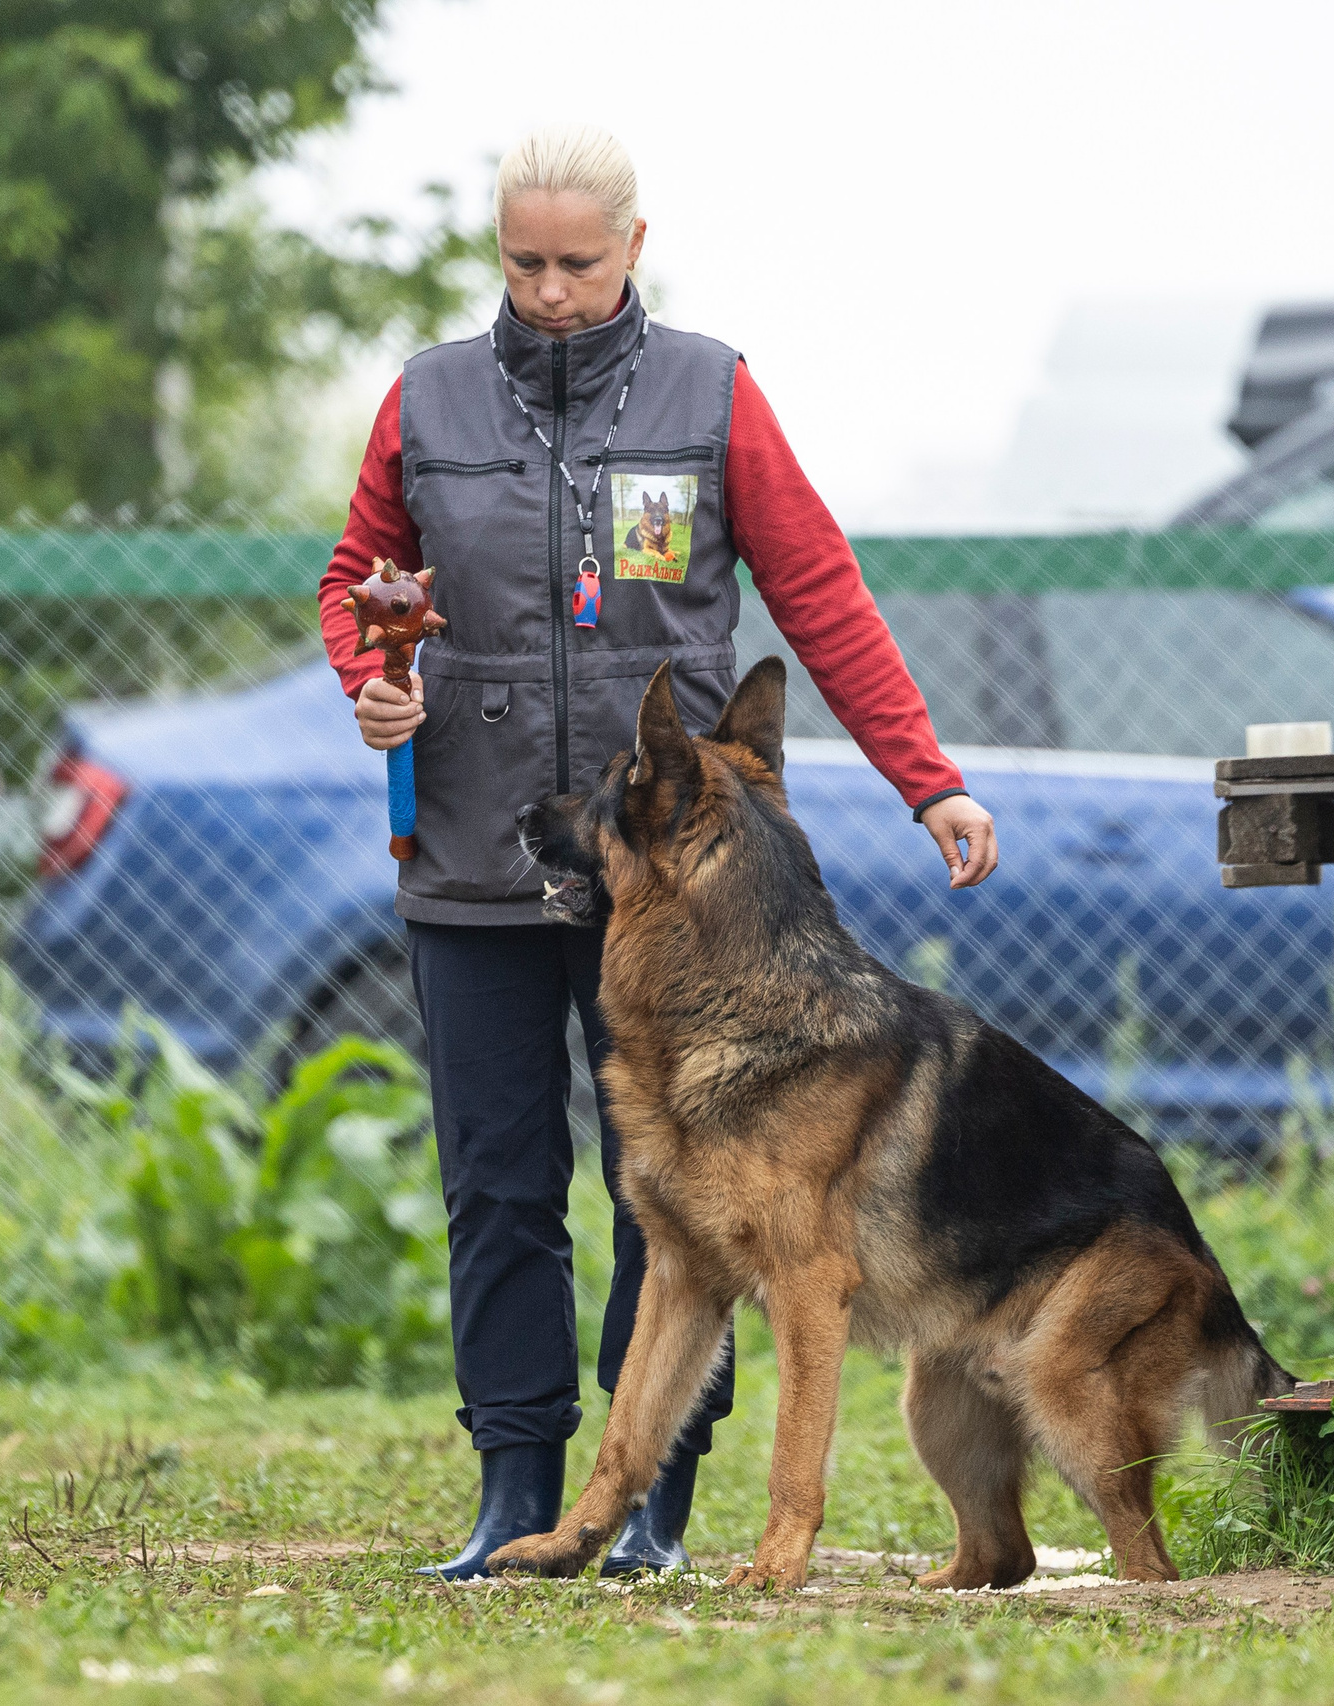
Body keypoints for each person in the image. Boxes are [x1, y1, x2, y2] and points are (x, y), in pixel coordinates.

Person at [318, 123, 998, 1580]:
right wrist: (367, 675)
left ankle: (658, 1507)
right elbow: (354, 578)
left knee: (691, 1201)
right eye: (523, 261)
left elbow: (820, 594)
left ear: (635, 247)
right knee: (499, 1181)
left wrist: (925, 779)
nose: (550, 289)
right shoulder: (426, 401)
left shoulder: (713, 392)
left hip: (682, 888)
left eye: (577, 261)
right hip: (481, 854)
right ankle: (514, 1490)